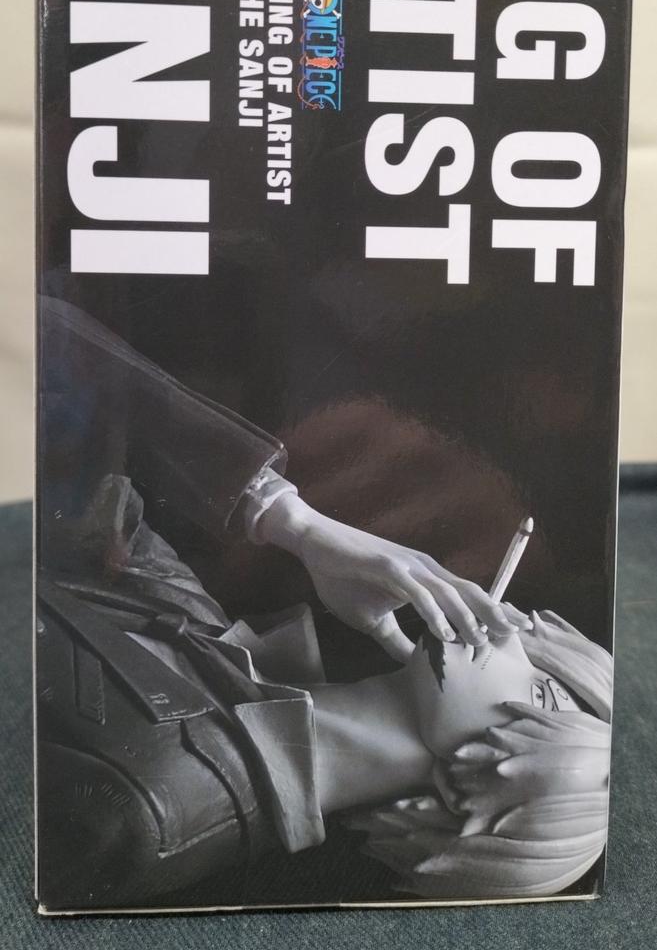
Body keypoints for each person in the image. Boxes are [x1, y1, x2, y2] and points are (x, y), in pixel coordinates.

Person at [36, 297, 611, 909]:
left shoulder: (136, 815)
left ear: (466, 793)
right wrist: (294, 523)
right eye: (531, 639)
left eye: (544, 693)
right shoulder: (219, 652)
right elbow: (45, 347)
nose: (506, 632)